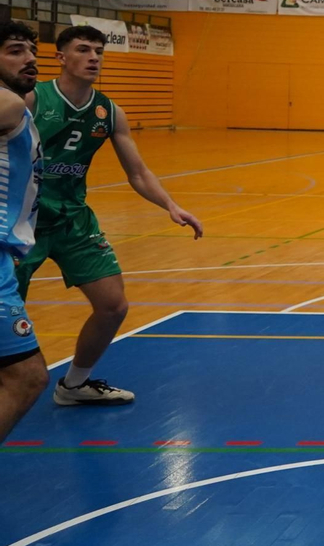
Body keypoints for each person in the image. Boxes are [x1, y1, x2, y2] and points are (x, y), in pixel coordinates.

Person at [19, 25, 203, 406]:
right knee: (9, 313)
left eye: (99, 51)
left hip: (72, 219)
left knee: (113, 305)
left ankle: (73, 385)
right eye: (83, 50)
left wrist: (171, 205)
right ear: (60, 57)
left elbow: (137, 172)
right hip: (24, 220)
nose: (93, 58)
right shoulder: (33, 100)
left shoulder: (108, 111)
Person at [0, 21, 46, 443]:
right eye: (16, 50)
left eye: (32, 50)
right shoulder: (7, 106)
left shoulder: (19, 101)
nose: (30, 58)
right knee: (27, 377)